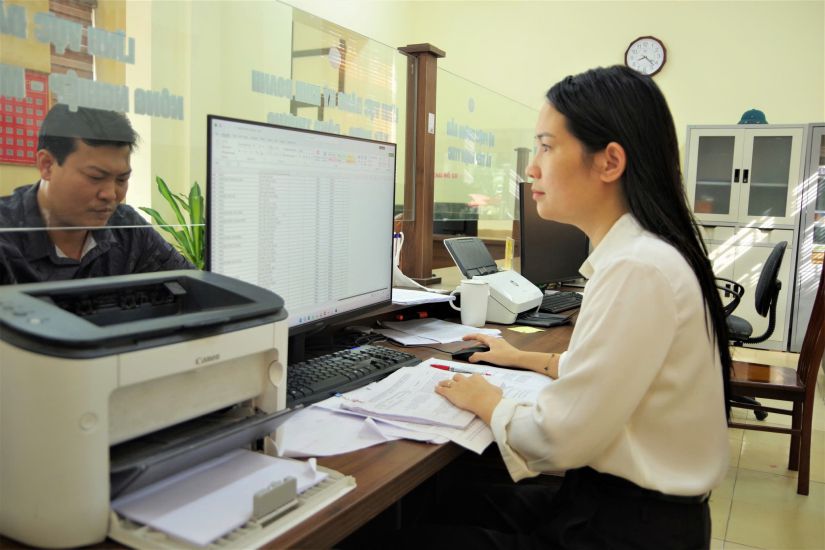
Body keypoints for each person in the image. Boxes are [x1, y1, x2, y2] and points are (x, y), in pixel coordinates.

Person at [414, 66, 732, 549]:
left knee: (409, 529)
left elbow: (558, 437)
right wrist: (523, 358)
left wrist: (487, 399)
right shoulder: (647, 255)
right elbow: (611, 371)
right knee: (444, 500)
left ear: (609, 163)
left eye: (546, 146)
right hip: (622, 509)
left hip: (627, 529)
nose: (532, 169)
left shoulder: (637, 269)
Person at [0, 104, 193, 284]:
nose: (110, 195)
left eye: (121, 179)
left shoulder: (127, 228)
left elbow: (193, 286)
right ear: (47, 165)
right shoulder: (6, 235)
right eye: (95, 177)